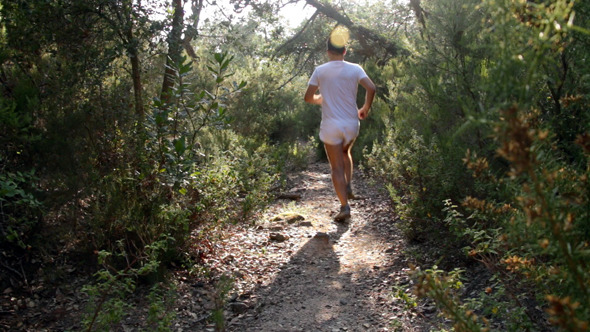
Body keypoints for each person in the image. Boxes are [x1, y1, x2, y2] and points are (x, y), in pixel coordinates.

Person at [304, 30, 376, 221]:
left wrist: (321, 99)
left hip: (330, 126)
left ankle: (344, 207)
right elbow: (372, 87)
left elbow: (308, 97)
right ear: (345, 51)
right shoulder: (355, 68)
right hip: (351, 123)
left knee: (336, 167)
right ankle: (349, 185)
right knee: (346, 153)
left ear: (328, 52)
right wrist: (365, 108)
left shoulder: (320, 70)